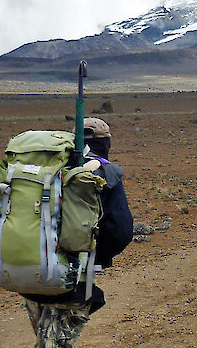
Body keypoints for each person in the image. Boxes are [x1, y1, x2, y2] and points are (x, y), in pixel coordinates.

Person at [21, 117, 133, 347]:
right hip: (70, 278)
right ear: (107, 142)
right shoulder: (103, 173)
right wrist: (95, 257)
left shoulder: (45, 169)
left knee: (46, 338)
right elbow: (119, 231)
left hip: (25, 270)